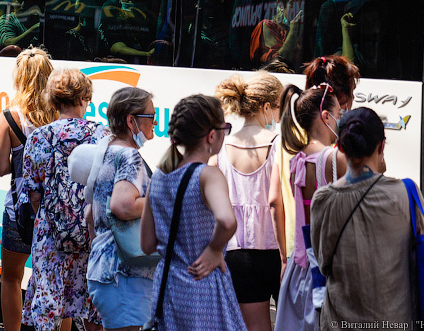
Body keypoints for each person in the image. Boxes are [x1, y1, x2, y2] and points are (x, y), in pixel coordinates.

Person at [311, 108, 424, 327]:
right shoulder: (407, 193)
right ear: (381, 146)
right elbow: (423, 259)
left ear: (341, 147)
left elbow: (322, 263)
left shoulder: (323, 200)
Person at [140, 94, 246, 331]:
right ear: (211, 136)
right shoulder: (208, 175)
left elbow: (147, 244)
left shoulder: (158, 177)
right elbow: (227, 220)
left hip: (168, 289)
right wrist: (213, 249)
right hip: (202, 287)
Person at [22, 68, 109, 331]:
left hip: (51, 237)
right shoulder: (102, 135)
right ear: (84, 97)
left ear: (53, 99)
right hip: (93, 236)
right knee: (92, 306)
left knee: (49, 306)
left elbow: (34, 193)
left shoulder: (40, 136)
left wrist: (59, 217)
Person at [213, 73, 285, 331]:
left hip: (237, 254)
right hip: (278, 251)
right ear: (267, 107)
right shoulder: (279, 145)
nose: (279, 116)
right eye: (279, 108)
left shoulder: (221, 147)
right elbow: (279, 201)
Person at [274, 83, 347, 331]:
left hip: (301, 266)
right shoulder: (334, 158)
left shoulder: (299, 159)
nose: (340, 120)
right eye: (338, 114)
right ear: (326, 117)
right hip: (327, 269)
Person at [0, 47, 57, 331]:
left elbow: (0, 168)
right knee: (57, 280)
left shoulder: (10, 117)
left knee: (11, 278)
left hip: (19, 211)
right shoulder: (60, 116)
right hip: (56, 210)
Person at [86, 87, 157, 331]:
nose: (155, 123)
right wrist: (164, 201)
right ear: (131, 121)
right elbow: (122, 205)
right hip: (123, 275)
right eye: (151, 117)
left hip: (106, 270)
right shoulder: (130, 156)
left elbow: (90, 215)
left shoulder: (106, 150)